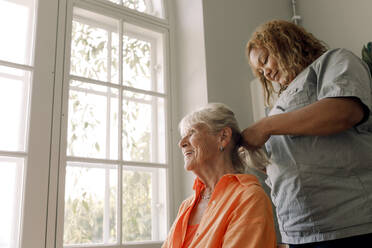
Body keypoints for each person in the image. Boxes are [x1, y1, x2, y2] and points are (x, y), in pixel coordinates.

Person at [243, 19, 372, 247]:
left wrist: (265, 126)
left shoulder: (333, 61)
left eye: (265, 61)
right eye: (261, 72)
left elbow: (343, 112)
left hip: (348, 226)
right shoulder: (278, 104)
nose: (267, 73)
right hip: (297, 231)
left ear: (284, 43)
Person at [162, 103, 276, 248]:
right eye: (183, 136)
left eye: (191, 133)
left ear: (223, 137)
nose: (181, 143)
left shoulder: (249, 198)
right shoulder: (186, 206)